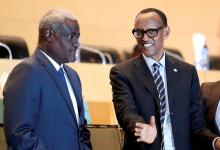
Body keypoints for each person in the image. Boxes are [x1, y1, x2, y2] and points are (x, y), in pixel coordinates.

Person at [110, 8, 220, 150]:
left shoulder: (187, 72)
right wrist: (142, 129)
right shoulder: (122, 72)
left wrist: (215, 142)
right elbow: (126, 113)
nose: (144, 38)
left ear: (166, 32)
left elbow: (197, 125)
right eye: (139, 32)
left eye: (151, 31)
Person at [3, 8, 92, 150]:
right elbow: (19, 134)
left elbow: (81, 130)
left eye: (78, 37)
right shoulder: (27, 72)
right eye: (71, 36)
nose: (77, 43)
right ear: (49, 34)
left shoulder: (73, 77)